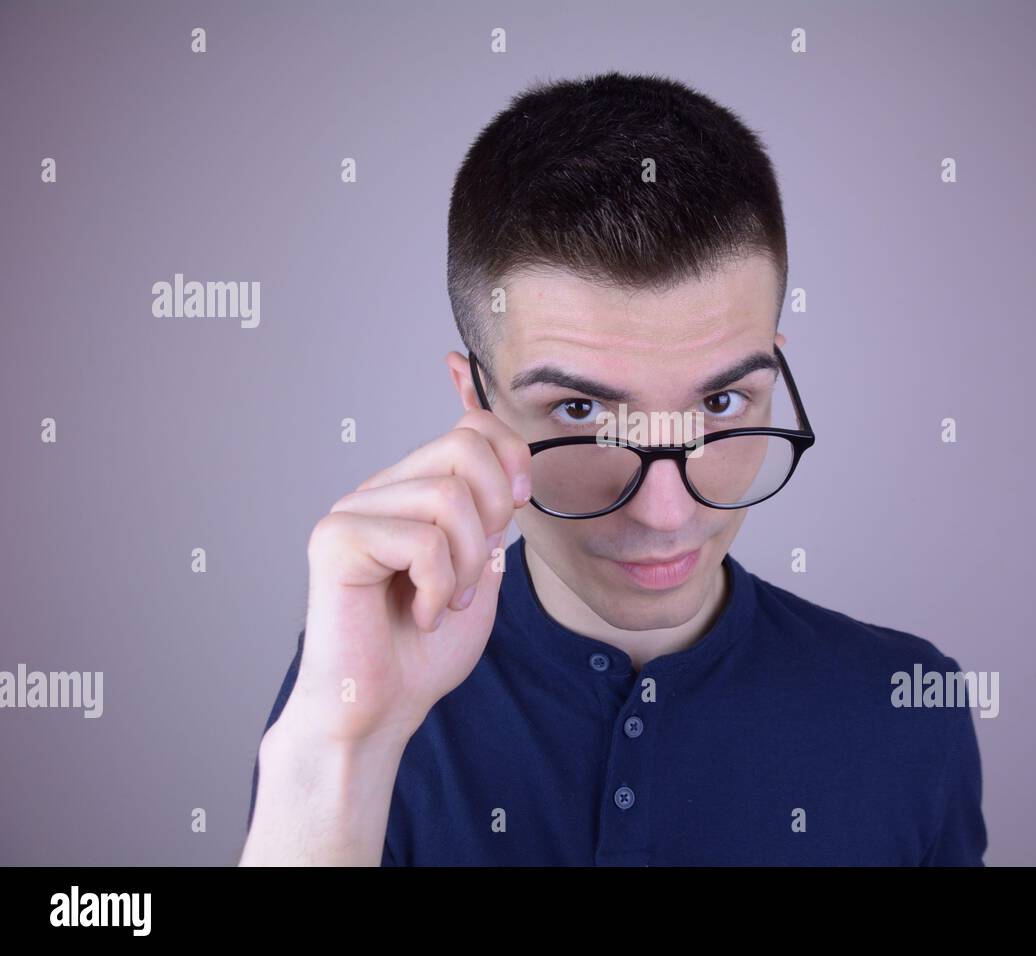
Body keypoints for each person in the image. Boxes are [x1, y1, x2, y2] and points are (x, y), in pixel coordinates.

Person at [239, 70, 987, 866]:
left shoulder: (908, 707)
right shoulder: (361, 684)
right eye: (580, 413)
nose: (665, 513)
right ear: (477, 401)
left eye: (724, 403)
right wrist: (340, 749)